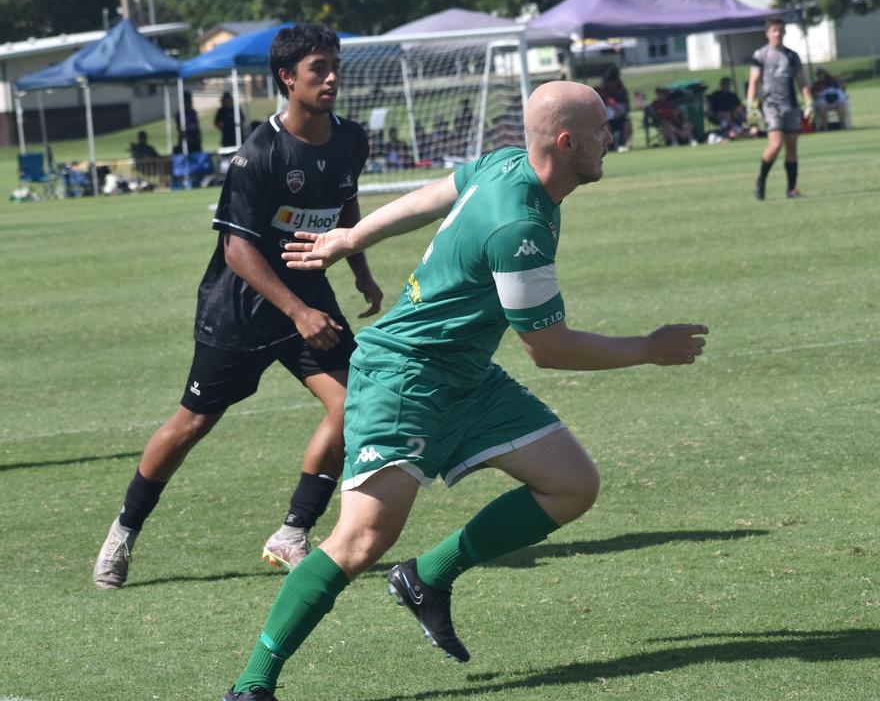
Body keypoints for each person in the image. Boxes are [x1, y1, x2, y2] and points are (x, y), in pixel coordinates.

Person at [221, 80, 708, 701]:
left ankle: (428, 577)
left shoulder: (508, 162)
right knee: (360, 541)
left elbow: (433, 195)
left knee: (572, 484)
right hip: (406, 377)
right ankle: (252, 684)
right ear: (567, 142)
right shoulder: (519, 226)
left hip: (466, 375)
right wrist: (648, 347)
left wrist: (352, 237)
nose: (612, 139)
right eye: (603, 131)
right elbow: (547, 349)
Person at [92, 23, 384, 590]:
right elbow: (238, 248)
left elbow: (345, 205)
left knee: (355, 406)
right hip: (240, 311)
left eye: (334, 67)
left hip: (309, 298)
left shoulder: (351, 139)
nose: (330, 78)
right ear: (286, 78)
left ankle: (293, 532)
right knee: (191, 423)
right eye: (317, 69)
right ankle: (123, 531)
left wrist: (361, 270)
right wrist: (297, 312)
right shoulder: (259, 154)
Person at [747, 16, 813, 200]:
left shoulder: (792, 56)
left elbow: (802, 82)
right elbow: (753, 82)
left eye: (781, 30)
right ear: (767, 33)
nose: (778, 34)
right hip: (771, 105)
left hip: (790, 105)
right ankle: (761, 180)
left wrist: (809, 102)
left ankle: (791, 189)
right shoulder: (760, 55)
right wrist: (751, 106)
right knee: (775, 145)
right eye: (775, 30)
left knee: (792, 147)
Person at [598, 66, 632, 151]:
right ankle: (610, 145)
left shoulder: (621, 88)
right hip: (607, 117)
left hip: (620, 116)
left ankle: (624, 144)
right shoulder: (603, 90)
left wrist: (623, 111)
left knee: (627, 125)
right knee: (606, 127)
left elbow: (626, 103)